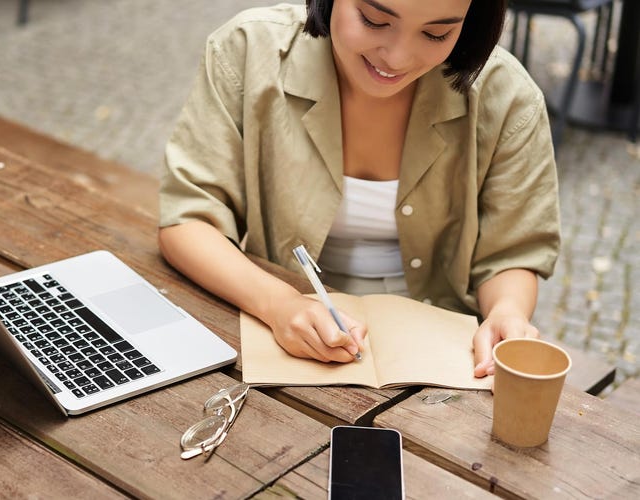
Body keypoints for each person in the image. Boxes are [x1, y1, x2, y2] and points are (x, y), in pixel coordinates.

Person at [157, 0, 560, 377]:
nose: (398, 58)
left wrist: (507, 311)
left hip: (443, 351)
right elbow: (188, 220)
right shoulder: (247, 52)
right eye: (374, 20)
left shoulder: (507, 97)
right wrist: (278, 304)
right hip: (281, 331)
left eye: (436, 34)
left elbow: (511, 252)